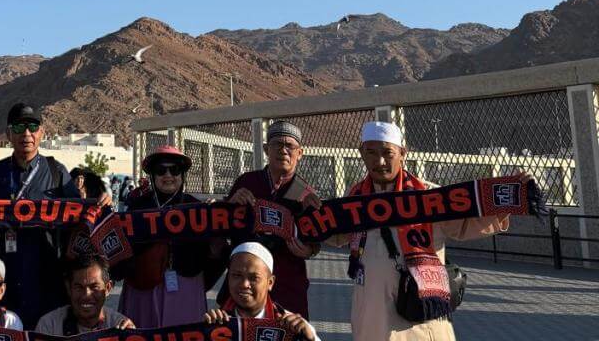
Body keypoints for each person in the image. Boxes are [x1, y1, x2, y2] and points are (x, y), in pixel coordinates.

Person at [328, 121, 519, 341]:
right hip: (371, 315)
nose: (379, 161)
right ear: (361, 153)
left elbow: (466, 225)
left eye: (387, 153)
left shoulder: (428, 197)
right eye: (371, 152)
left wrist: (505, 205)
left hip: (419, 313)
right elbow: (332, 233)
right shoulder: (353, 200)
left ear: (402, 153)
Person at [0, 103, 97, 327]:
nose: (26, 134)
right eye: (19, 127)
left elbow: (80, 220)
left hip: (46, 281)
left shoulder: (57, 173)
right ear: (9, 134)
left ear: (42, 133)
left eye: (32, 127)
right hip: (2, 283)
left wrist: (101, 205)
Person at [113, 145, 226, 328]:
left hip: (186, 287)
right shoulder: (137, 208)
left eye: (174, 170)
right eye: (161, 170)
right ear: (153, 176)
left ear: (182, 175)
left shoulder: (197, 208)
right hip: (143, 286)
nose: (168, 175)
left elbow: (213, 255)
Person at [223, 121, 321, 318]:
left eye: (290, 146)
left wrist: (310, 250)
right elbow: (223, 223)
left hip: (288, 282)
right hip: (245, 281)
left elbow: (316, 237)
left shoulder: (306, 193)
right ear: (267, 149)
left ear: (300, 153)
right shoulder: (247, 182)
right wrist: (231, 205)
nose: (283, 151)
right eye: (277, 144)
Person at [203, 243, 320, 341]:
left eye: (254, 278)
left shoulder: (290, 326)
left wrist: (311, 338)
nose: (244, 284)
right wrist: (204, 333)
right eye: (237, 275)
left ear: (270, 283)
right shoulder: (215, 322)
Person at [35, 255, 134, 335]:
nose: (86, 295)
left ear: (108, 288)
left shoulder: (121, 327)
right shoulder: (49, 326)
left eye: (94, 287)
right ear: (68, 288)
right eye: (79, 287)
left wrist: (132, 335)